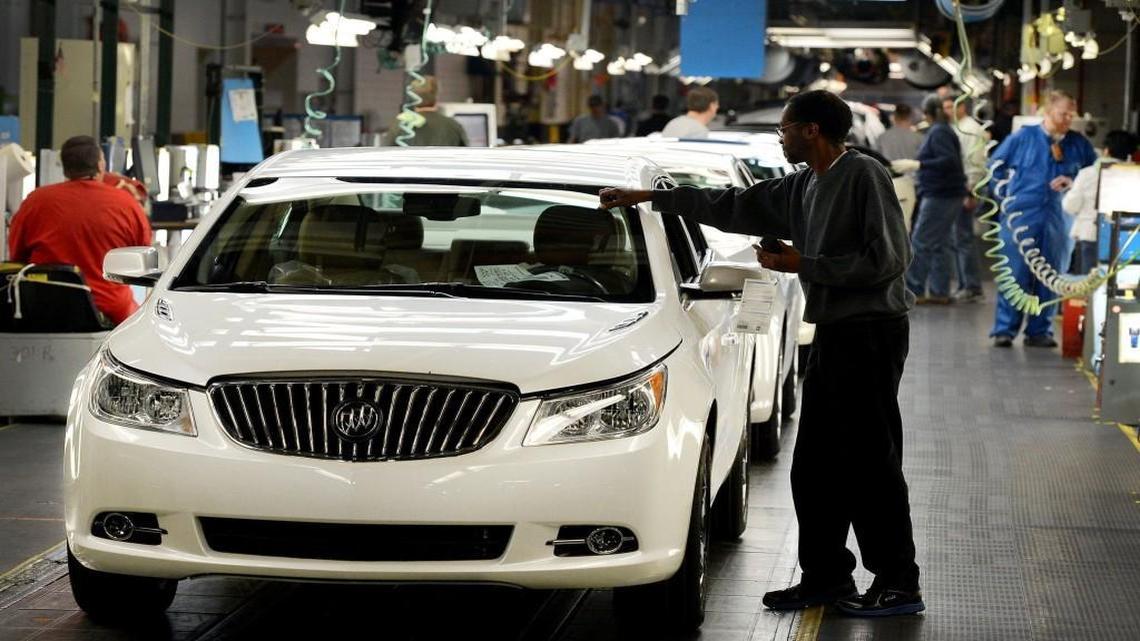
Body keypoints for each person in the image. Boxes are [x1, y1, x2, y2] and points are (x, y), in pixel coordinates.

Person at [599, 90, 923, 617]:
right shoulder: (804, 184)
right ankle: (825, 577)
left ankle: (898, 582)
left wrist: (804, 263)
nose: (781, 135)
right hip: (837, 336)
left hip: (871, 334)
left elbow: (888, 259)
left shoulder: (862, 175)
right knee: (815, 465)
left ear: (812, 130)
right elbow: (733, 204)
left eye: (786, 127)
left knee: (869, 461)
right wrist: (646, 198)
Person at [989, 90, 1097, 348]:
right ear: (1048, 113)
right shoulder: (1023, 138)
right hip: (1021, 216)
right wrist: (1006, 194)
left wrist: (1072, 182)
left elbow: (1094, 174)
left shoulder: (1078, 144)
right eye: (1063, 114)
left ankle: (1040, 331)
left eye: (1072, 114)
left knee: (1051, 275)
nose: (1068, 119)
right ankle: (1004, 329)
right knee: (1014, 274)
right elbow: (995, 166)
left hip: (1059, 219)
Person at [7, 135, 151, 325]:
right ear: (101, 165)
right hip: (109, 313)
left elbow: (17, 257)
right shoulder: (126, 204)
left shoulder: (35, 201)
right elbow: (143, 262)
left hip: (44, 309)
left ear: (65, 168)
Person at [895, 94, 966, 305]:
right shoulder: (941, 130)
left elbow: (949, 161)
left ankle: (914, 290)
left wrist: (919, 165)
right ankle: (939, 291)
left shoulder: (939, 132)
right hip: (947, 193)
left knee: (922, 242)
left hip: (941, 195)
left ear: (928, 113)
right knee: (940, 244)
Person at [1062, 130, 1138, 274]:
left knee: (1087, 285)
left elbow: (1069, 206)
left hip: (1090, 235)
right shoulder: (1133, 175)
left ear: (1106, 151)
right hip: (1125, 239)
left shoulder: (1088, 173)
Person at [943, 95, 989, 302]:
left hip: (965, 189)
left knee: (963, 239)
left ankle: (971, 286)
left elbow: (975, 162)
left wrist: (971, 192)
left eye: (950, 106)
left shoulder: (969, 128)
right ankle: (965, 284)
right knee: (957, 239)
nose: (947, 110)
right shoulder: (956, 127)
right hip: (957, 189)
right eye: (944, 107)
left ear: (961, 106)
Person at [383, 76, 469, 146]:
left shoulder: (401, 125)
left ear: (413, 97)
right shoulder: (453, 126)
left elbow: (386, 156)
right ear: (436, 95)